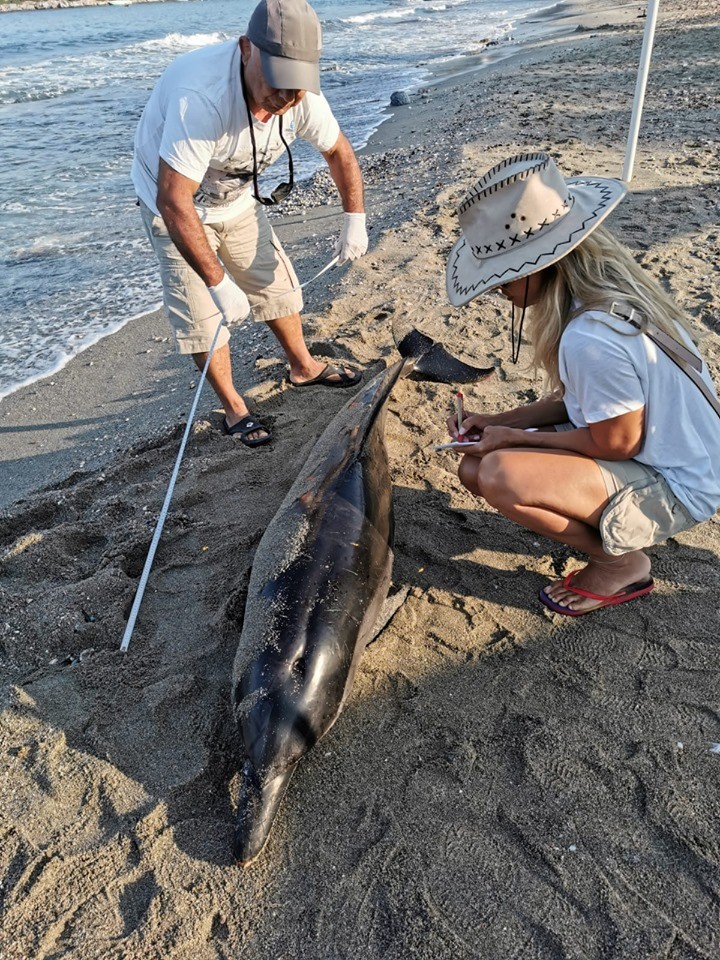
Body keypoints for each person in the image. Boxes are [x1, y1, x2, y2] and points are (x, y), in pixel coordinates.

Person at [443, 152, 720, 616]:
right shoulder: (604, 298)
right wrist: (498, 421)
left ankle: (620, 563)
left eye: (501, 280)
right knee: (475, 469)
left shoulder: (590, 337)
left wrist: (510, 438)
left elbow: (616, 442)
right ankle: (612, 544)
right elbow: (585, 404)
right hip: (681, 455)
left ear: (533, 268)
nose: (497, 291)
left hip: (681, 483)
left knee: (497, 473)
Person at [132, 0, 368, 447]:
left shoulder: (301, 98)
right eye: (277, 84)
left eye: (296, 88)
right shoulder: (199, 97)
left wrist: (354, 218)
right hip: (175, 208)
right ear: (246, 50)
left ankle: (303, 366)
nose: (284, 100)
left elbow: (340, 153)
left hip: (236, 199)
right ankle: (233, 407)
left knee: (275, 285)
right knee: (203, 315)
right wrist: (218, 281)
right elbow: (173, 198)